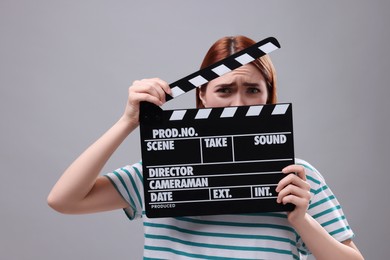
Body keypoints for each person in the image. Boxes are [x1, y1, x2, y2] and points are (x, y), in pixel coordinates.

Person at [48, 35, 363, 259]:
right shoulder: (161, 172)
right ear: (202, 98)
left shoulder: (296, 178)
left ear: (269, 96)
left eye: (252, 89)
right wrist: (128, 121)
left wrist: (301, 220)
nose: (238, 103)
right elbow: (64, 200)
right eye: (224, 90)